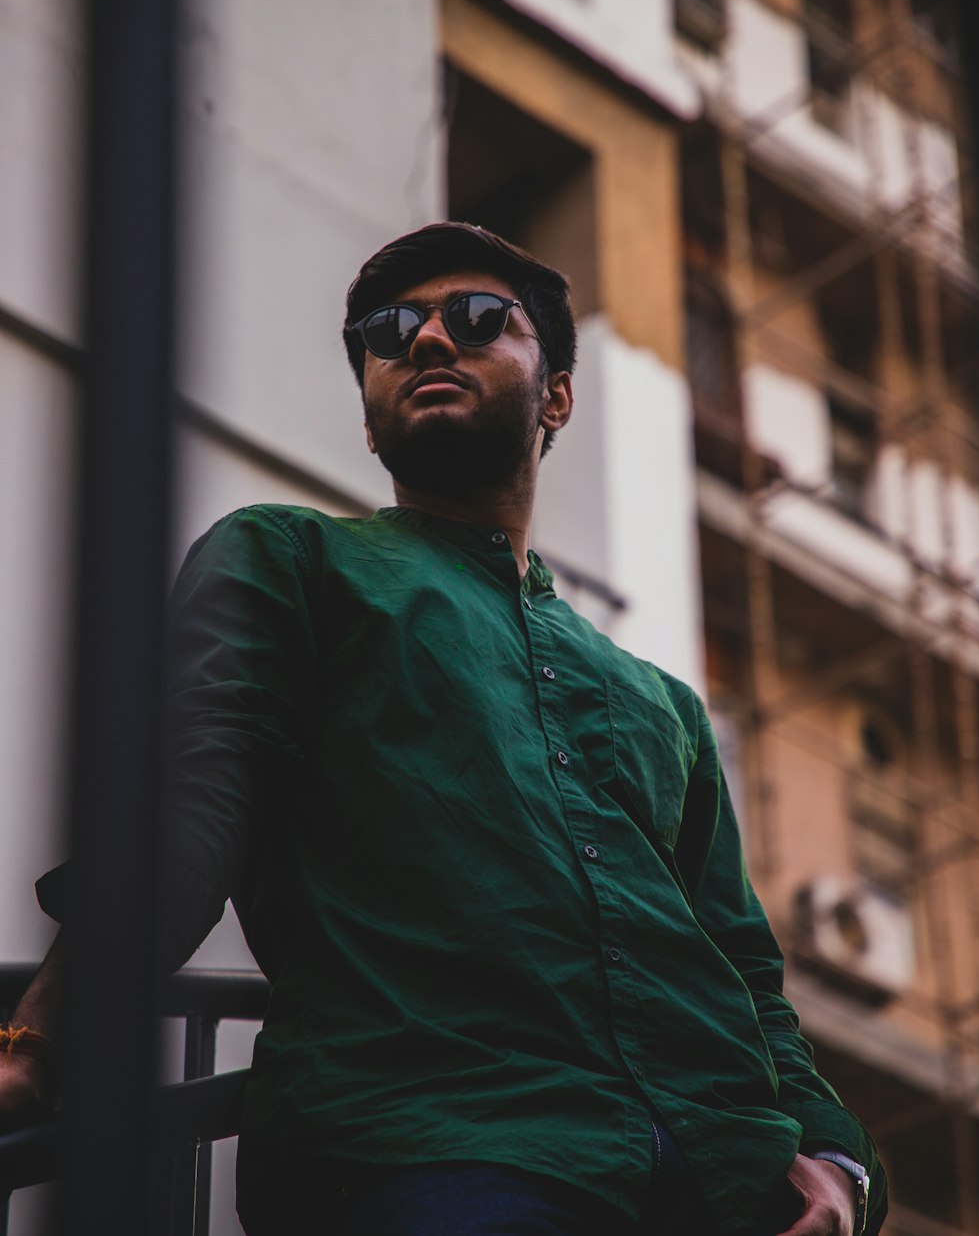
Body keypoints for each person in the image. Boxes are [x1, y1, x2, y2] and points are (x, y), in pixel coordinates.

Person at [0, 223, 886, 1235]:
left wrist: (837, 1159)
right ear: (371, 423)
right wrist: (39, 1034)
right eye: (388, 330)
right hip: (440, 1151)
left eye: (473, 319)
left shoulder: (665, 703)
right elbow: (196, 802)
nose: (424, 340)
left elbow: (747, 971)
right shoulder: (290, 560)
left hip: (735, 1184)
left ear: (554, 395)